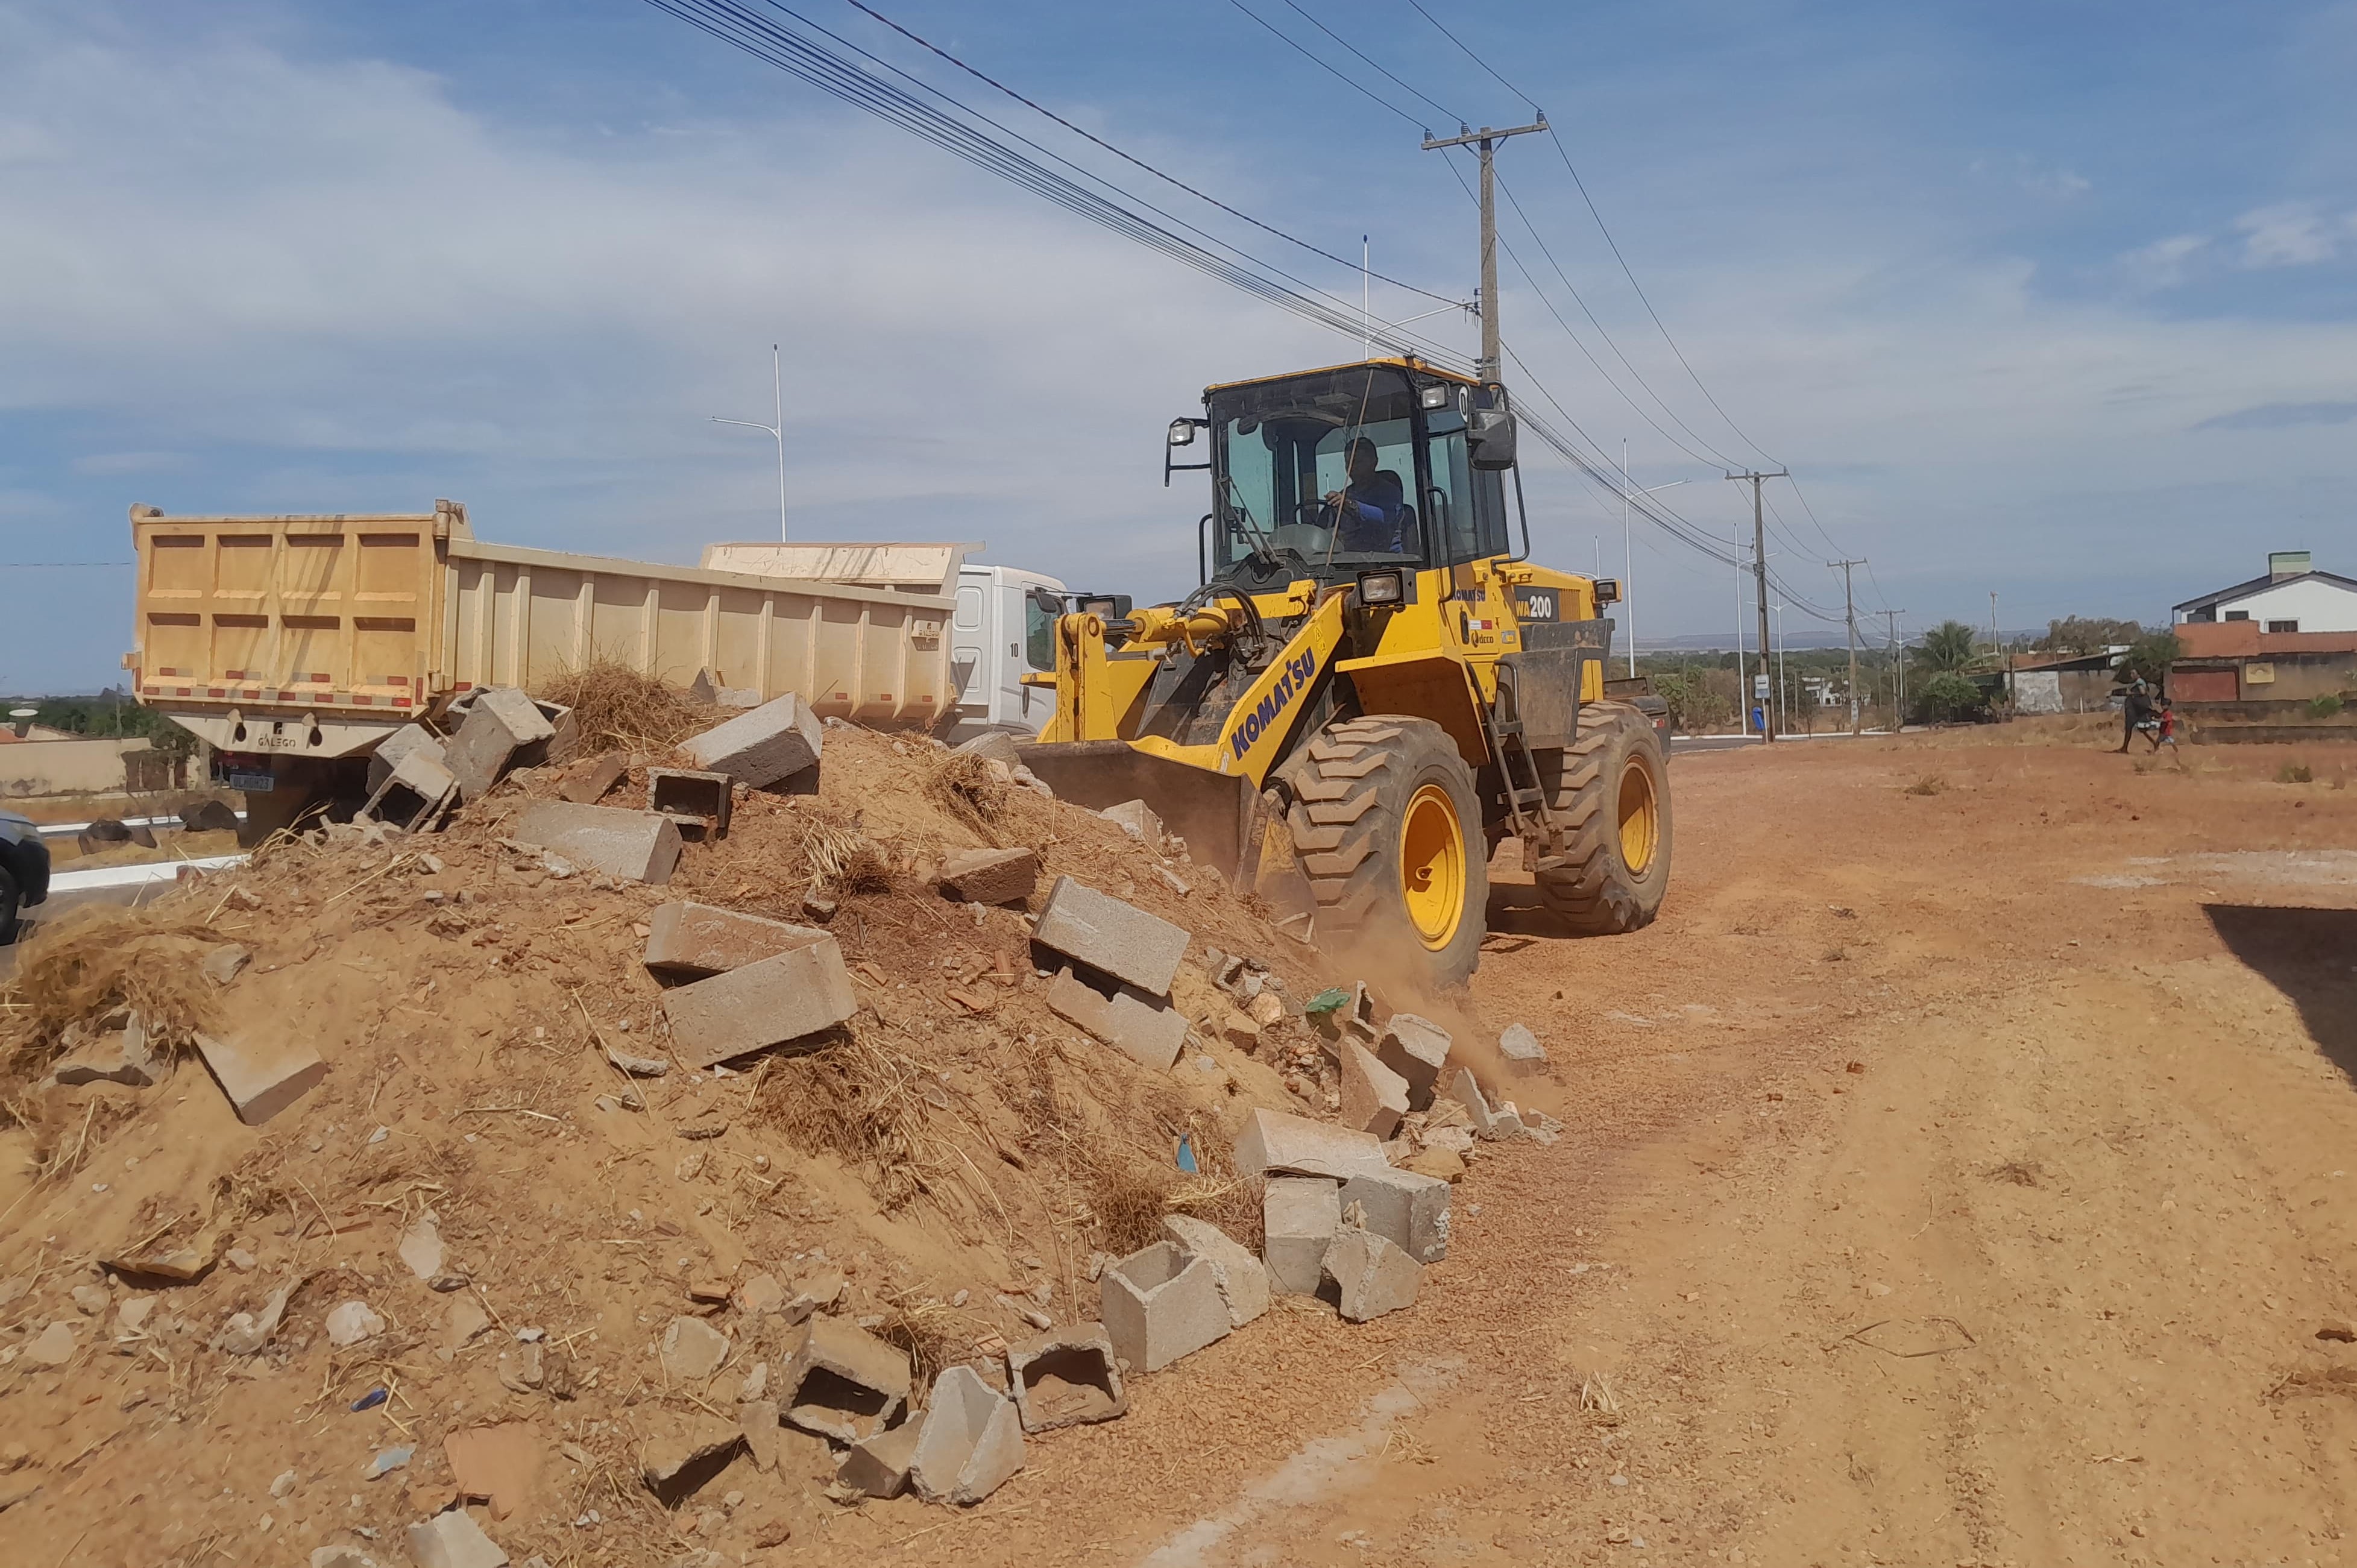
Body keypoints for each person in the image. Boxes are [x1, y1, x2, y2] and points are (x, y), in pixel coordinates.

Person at [1323, 438, 1408, 553]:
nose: (1352, 467)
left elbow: (1386, 518)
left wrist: (1350, 505)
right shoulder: (1344, 495)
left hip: (1387, 562)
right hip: (1350, 561)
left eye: (1358, 462)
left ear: (1374, 462)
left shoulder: (1390, 491)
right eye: (1348, 463)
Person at [2116, 670, 2155, 753]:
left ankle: (2125, 748)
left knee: (2131, 728)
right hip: (2138, 708)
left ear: (2139, 674)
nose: (2131, 675)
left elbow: (2143, 692)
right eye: (2131, 673)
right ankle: (2155, 744)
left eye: (2133, 673)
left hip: (2137, 709)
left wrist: (2131, 694)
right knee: (2139, 729)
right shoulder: (2138, 682)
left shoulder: (2139, 682)